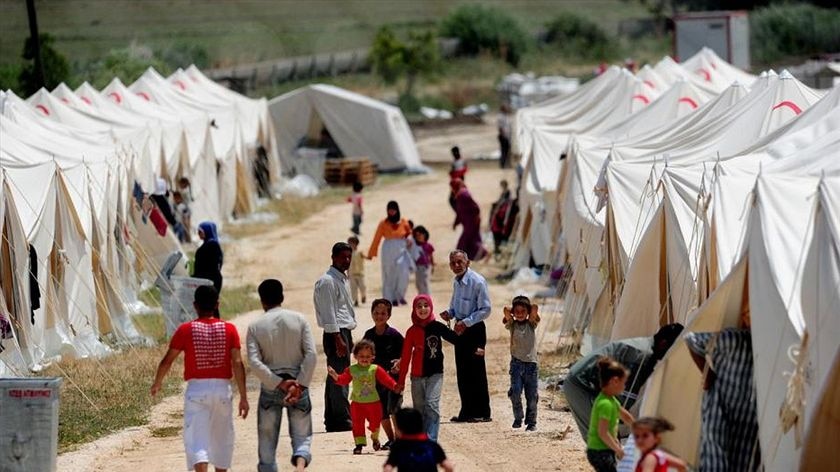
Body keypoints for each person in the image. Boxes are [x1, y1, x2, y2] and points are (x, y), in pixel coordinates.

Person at [150, 286, 248, 472]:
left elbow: (167, 361)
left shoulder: (186, 330)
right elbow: (237, 362)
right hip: (222, 389)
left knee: (197, 439)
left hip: (197, 390)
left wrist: (157, 383)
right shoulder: (229, 329)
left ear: (195, 305)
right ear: (217, 304)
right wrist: (243, 396)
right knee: (222, 438)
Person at [563, 323, 684, 439]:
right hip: (581, 384)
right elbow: (626, 398)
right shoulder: (642, 356)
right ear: (663, 344)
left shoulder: (644, 346)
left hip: (586, 383)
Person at [247, 279, 317, 472]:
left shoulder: (255, 326)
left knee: (267, 440)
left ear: (262, 300)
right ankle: (300, 465)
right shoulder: (299, 319)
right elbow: (311, 355)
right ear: (282, 297)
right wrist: (299, 384)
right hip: (298, 383)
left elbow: (254, 362)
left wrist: (279, 383)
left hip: (271, 386)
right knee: (302, 435)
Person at [686, 306, 761, 471]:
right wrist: (707, 375)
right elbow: (691, 340)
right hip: (720, 407)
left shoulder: (766, 350)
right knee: (716, 458)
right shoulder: (731, 339)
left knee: (743, 462)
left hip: (748, 417)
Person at [439, 250, 492, 423]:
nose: (456, 265)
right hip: (460, 329)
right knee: (463, 371)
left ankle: (482, 412)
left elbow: (485, 309)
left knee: (476, 371)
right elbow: (455, 305)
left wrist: (467, 322)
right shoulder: (456, 282)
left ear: (467, 262)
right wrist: (449, 313)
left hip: (474, 330)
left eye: (459, 262)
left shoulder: (477, 282)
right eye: (453, 262)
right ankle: (467, 411)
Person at [397, 294, 459, 441]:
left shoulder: (437, 327)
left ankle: (431, 440)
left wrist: (474, 348)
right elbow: (405, 359)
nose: (423, 309)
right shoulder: (411, 331)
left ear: (431, 307)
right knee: (419, 410)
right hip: (417, 376)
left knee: (432, 405)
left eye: (426, 305)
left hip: (435, 374)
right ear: (414, 309)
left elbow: (456, 339)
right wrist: (400, 381)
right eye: (419, 306)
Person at [328, 339, 403, 454]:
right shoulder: (352, 369)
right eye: (361, 356)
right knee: (357, 424)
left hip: (374, 403)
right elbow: (343, 380)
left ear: (373, 357)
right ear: (355, 356)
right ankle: (359, 445)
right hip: (357, 404)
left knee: (375, 423)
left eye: (368, 356)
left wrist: (395, 386)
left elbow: (386, 380)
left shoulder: (375, 369)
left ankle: (375, 438)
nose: (364, 359)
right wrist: (335, 376)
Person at [314, 242, 357, 432]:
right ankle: (341, 419)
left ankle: (332, 420)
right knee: (340, 376)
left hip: (343, 332)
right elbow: (329, 312)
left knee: (335, 376)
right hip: (335, 333)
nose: (346, 260)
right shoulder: (328, 281)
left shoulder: (341, 279)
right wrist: (338, 338)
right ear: (333, 257)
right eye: (343, 257)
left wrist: (348, 336)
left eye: (349, 257)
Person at [363, 299, 404, 450]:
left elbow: (406, 353)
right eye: (376, 313)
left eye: (383, 313)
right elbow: (363, 355)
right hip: (375, 381)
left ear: (389, 315)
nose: (379, 316)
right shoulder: (368, 334)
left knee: (394, 408)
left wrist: (399, 363)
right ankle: (391, 440)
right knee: (382, 412)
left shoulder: (394, 335)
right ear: (372, 313)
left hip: (393, 380)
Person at [586, 357, 635, 472]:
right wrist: (618, 450)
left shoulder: (612, 400)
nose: (624, 387)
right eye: (623, 383)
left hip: (604, 449)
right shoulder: (605, 404)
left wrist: (637, 427)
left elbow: (625, 416)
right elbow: (603, 433)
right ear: (614, 381)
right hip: (599, 451)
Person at [503, 295, 540, 431]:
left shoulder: (531, 324)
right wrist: (512, 311)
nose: (519, 314)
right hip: (516, 364)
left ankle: (531, 422)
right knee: (516, 392)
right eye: (516, 312)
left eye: (522, 312)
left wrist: (529, 311)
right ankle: (518, 418)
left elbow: (535, 307)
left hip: (531, 364)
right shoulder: (512, 325)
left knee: (531, 395)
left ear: (527, 312)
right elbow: (506, 310)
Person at [368, 201, 413, 305]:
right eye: (390, 210)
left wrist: (409, 238)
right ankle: (390, 298)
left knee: (403, 273)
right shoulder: (383, 223)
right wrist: (371, 253)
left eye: (393, 209)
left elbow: (409, 232)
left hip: (401, 248)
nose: (391, 212)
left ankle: (400, 296)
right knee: (389, 274)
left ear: (397, 210)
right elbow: (377, 238)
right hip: (388, 249)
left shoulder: (403, 221)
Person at [383, 408, 455, 472]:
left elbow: (388, 469)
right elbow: (449, 467)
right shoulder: (432, 446)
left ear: (399, 429)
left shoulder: (398, 446)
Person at [450, 179, 488, 261]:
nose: (451, 190)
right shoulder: (461, 194)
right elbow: (460, 212)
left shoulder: (463, 194)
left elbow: (475, 207)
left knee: (464, 242)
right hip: (469, 222)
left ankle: (485, 253)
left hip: (471, 222)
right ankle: (483, 254)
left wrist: (476, 217)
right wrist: (455, 223)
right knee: (472, 241)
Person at [193, 221, 224, 293]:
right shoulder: (210, 245)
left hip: (209, 281)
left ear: (207, 231)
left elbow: (212, 266)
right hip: (207, 280)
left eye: (200, 232)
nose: (198, 234)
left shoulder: (212, 246)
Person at [489, 180, 517, 255]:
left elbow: (503, 202)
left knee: (497, 235)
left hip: (500, 221)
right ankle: (498, 249)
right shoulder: (505, 193)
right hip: (499, 221)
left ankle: (498, 249)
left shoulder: (507, 193)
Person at [412, 226, 435, 296]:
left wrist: (433, 265)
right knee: (419, 283)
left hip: (425, 267)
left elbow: (431, 256)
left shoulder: (428, 245)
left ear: (424, 235)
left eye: (420, 235)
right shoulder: (414, 246)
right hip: (417, 267)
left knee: (425, 282)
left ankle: (427, 297)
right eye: (416, 235)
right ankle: (421, 296)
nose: (418, 237)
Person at [348, 236, 367, 307]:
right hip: (352, 274)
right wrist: (347, 273)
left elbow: (365, 256)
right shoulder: (348, 254)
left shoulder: (360, 252)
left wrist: (368, 257)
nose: (350, 245)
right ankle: (355, 300)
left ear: (356, 244)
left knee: (362, 287)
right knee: (353, 288)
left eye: (351, 243)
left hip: (360, 273)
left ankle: (363, 296)